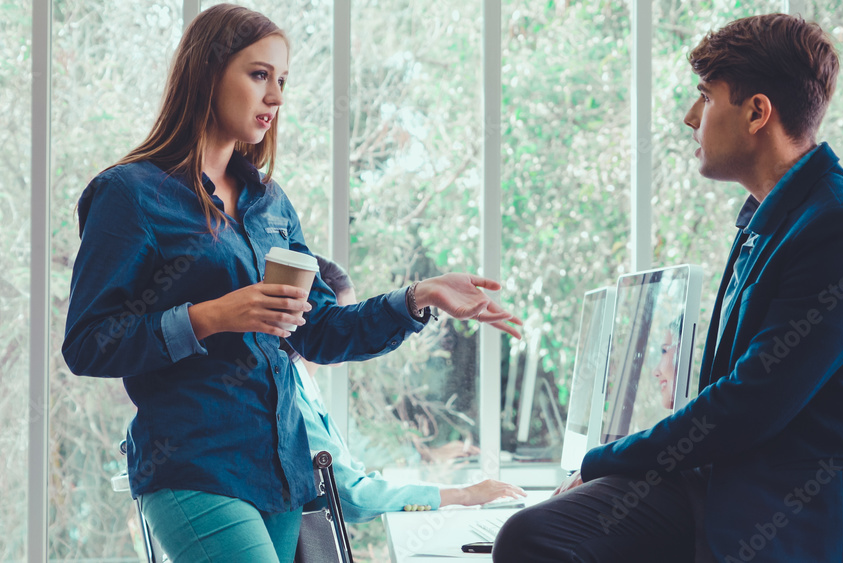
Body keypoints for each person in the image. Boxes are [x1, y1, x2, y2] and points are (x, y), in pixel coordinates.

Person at [61, 4, 522, 563]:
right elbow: (89, 343)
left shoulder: (270, 203)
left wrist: (417, 297)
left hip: (281, 472)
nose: (275, 97)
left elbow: (321, 333)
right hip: (193, 466)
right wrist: (215, 315)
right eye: (259, 75)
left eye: (281, 80)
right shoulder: (130, 194)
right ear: (207, 74)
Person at [493, 13, 843, 563]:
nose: (690, 117)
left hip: (781, 514)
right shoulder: (770, 217)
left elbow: (750, 404)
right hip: (717, 488)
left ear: (757, 112)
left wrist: (605, 460)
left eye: (706, 96)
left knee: (537, 538)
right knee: (535, 532)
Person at [290, 255, 525, 522]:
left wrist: (430, 460)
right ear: (317, 314)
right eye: (346, 312)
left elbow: (355, 472)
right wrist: (462, 495)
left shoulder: (307, 387)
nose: (352, 325)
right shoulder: (291, 395)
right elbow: (353, 497)